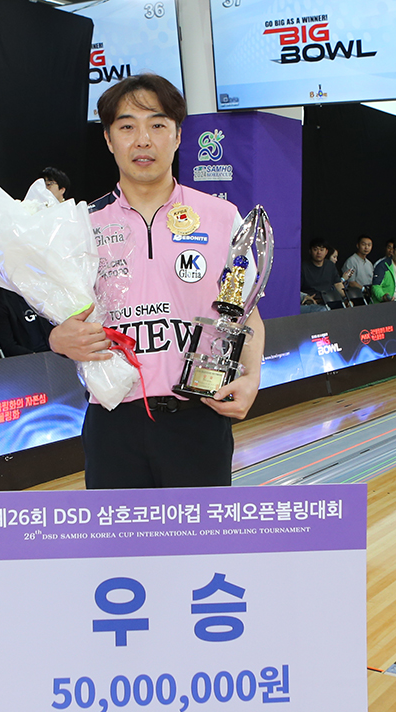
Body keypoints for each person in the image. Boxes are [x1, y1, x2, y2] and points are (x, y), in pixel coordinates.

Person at [48, 73, 265, 489]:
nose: (143, 140)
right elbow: (64, 321)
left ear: (178, 136)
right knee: (119, 535)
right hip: (113, 422)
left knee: (201, 533)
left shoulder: (222, 218)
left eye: (158, 125)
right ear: (109, 139)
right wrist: (58, 339)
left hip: (199, 418)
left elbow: (246, 315)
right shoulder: (81, 226)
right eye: (127, 127)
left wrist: (252, 377)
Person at [0, 288, 53, 356]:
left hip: (54, 350)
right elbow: (8, 345)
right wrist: (33, 356)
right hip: (28, 356)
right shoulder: (2, 300)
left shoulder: (43, 293)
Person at [300, 237, 346, 309]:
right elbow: (296, 289)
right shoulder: (303, 267)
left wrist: (346, 297)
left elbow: (338, 284)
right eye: (315, 249)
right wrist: (306, 297)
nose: (319, 252)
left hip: (329, 299)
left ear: (326, 252)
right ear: (310, 251)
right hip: (312, 301)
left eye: (321, 250)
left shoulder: (330, 265)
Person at [342, 235, 374, 306]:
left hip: (369, 296)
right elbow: (351, 282)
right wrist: (364, 289)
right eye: (364, 244)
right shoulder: (351, 261)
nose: (366, 247)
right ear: (357, 245)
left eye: (369, 245)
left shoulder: (369, 263)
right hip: (356, 297)